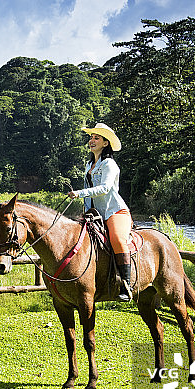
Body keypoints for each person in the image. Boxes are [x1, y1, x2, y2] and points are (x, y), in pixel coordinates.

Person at [67, 123, 133, 302]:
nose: (92, 140)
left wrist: (80, 193)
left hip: (115, 211)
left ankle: (126, 285)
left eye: (97, 138)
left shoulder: (109, 164)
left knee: (117, 240)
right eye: (91, 137)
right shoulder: (89, 164)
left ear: (105, 143)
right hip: (94, 213)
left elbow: (104, 188)